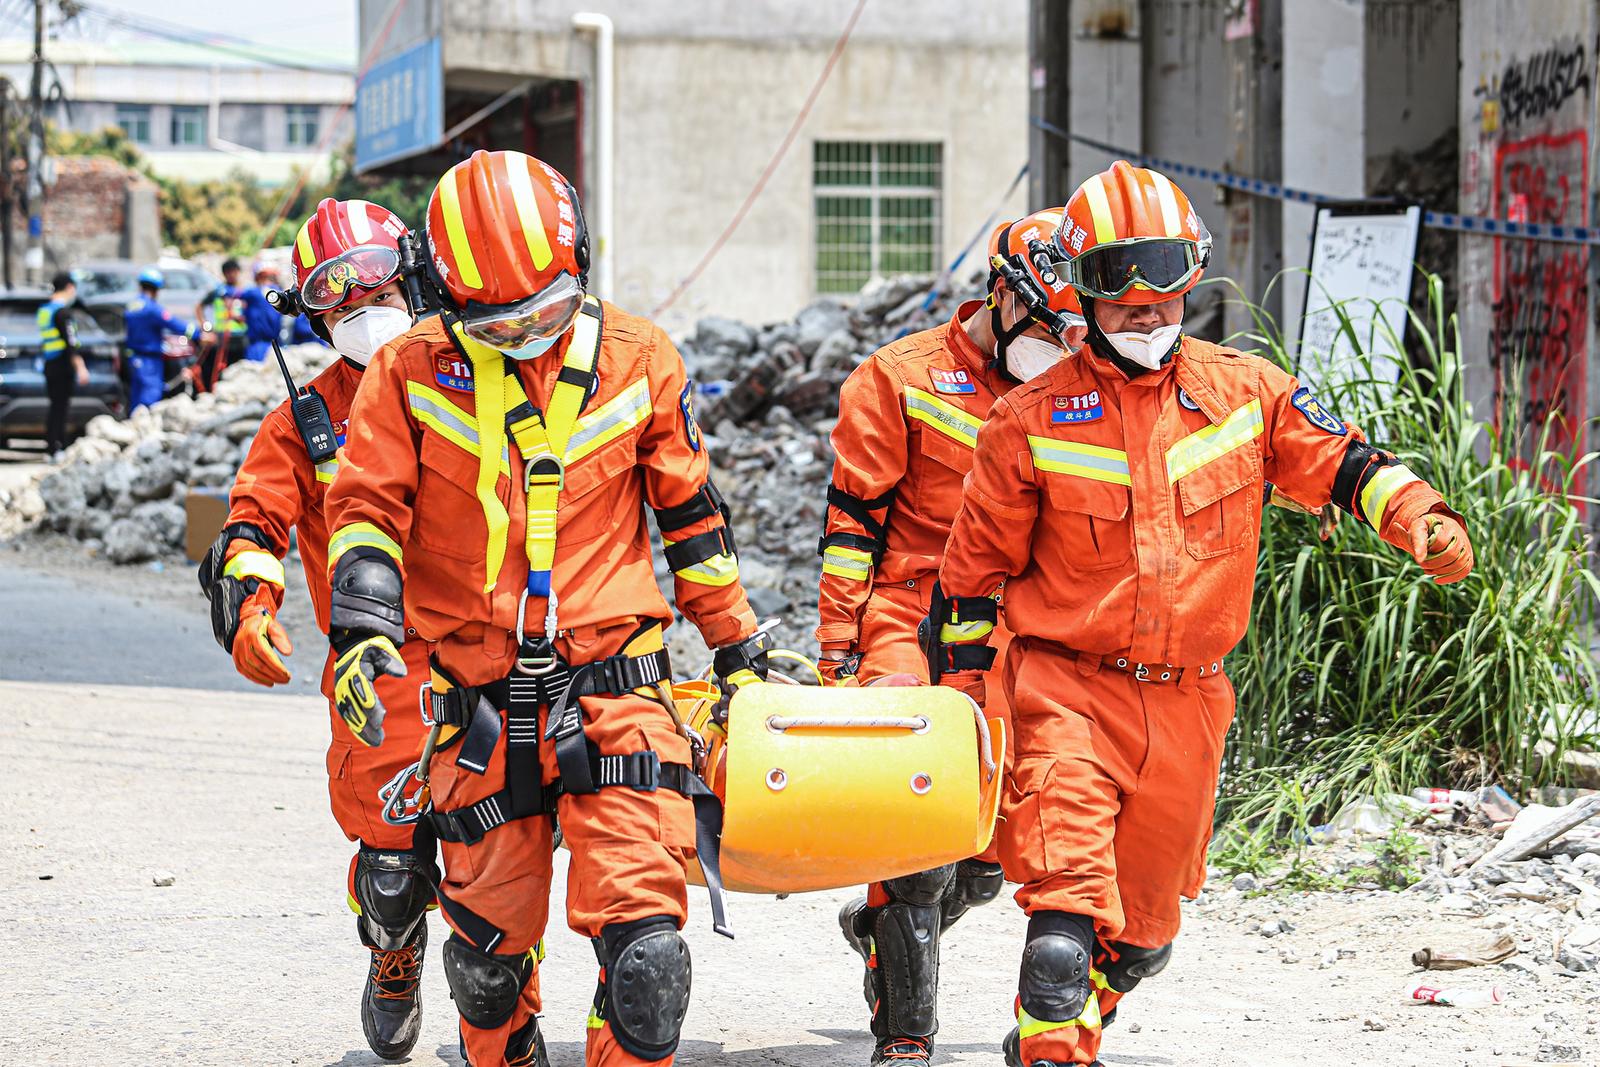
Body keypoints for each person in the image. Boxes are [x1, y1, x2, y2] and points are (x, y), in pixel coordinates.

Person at [927, 161, 1474, 1067]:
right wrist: (962, 707)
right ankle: (1053, 1036)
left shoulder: (1245, 393)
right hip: (1067, 696)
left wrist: (1416, 513)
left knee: (1141, 939)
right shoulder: (1027, 422)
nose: (1145, 308)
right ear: (1084, 290)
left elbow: (1342, 459)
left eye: (1163, 284)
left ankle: (1076, 1020)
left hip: (1189, 707)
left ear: (1191, 277)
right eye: (1119, 285)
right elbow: (970, 580)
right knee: (1062, 931)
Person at [324, 149, 768, 1067]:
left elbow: (690, 517)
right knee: (486, 971)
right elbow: (365, 510)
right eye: (498, 321)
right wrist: (364, 634)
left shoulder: (641, 358)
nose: (527, 332)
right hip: (478, 707)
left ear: (583, 265)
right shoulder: (405, 373)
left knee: (648, 960)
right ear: (445, 298)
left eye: (546, 310)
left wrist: (738, 646)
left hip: (619, 693)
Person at [817, 209, 1085, 1067]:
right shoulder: (901, 379)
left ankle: (879, 931)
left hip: (1015, 636)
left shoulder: (1081, 391)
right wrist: (838, 647)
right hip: (907, 623)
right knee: (919, 838)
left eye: (1077, 329)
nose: (1068, 345)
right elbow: (853, 524)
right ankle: (906, 1038)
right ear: (1003, 297)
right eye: (1053, 327)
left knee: (986, 859)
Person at [197, 199, 440, 1061]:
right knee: (393, 870)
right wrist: (252, 605)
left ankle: (506, 1020)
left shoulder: (477, 381)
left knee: (503, 868)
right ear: (314, 316)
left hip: (491, 651)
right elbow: (250, 519)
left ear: (412, 278)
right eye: (336, 304)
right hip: (375, 675)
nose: (360, 316)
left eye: (372, 291)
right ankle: (394, 948)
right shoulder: (303, 424)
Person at [123, 267, 206, 413]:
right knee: (150, 398)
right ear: (156, 289)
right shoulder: (153, 309)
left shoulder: (131, 306)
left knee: (136, 397)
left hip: (134, 358)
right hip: (150, 361)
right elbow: (174, 324)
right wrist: (198, 335)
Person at [39, 271, 87, 457]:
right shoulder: (63, 313)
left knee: (54, 406)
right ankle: (58, 447)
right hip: (62, 365)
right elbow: (71, 343)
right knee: (61, 407)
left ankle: (52, 446)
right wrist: (80, 367)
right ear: (68, 288)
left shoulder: (44, 310)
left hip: (49, 363)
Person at [195, 258, 247, 390]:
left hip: (240, 337)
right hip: (222, 337)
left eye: (233, 272)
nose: (231, 275)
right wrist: (205, 326)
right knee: (217, 369)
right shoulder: (219, 291)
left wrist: (239, 318)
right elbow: (199, 307)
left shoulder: (245, 292)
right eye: (228, 272)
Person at [241, 262, 286, 363]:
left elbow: (233, 292)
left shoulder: (252, 292)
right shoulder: (281, 294)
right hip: (276, 345)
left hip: (259, 346)